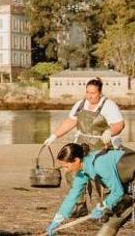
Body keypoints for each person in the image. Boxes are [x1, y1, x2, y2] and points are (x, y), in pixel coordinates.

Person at [46, 143, 135, 236]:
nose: (65, 170)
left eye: (66, 166)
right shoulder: (82, 172)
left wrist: (102, 206)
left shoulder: (99, 164)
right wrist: (57, 220)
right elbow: (72, 196)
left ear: (77, 160)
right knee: (113, 217)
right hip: (125, 182)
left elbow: (117, 192)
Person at [43, 78, 126, 216]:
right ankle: (80, 206)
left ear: (100, 92)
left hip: (102, 146)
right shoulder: (80, 104)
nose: (89, 96)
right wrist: (53, 136)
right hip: (82, 145)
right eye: (87, 92)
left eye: (93, 93)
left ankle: (109, 205)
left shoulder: (108, 105)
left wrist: (109, 132)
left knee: (101, 177)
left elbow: (119, 124)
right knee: (72, 174)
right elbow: (70, 121)